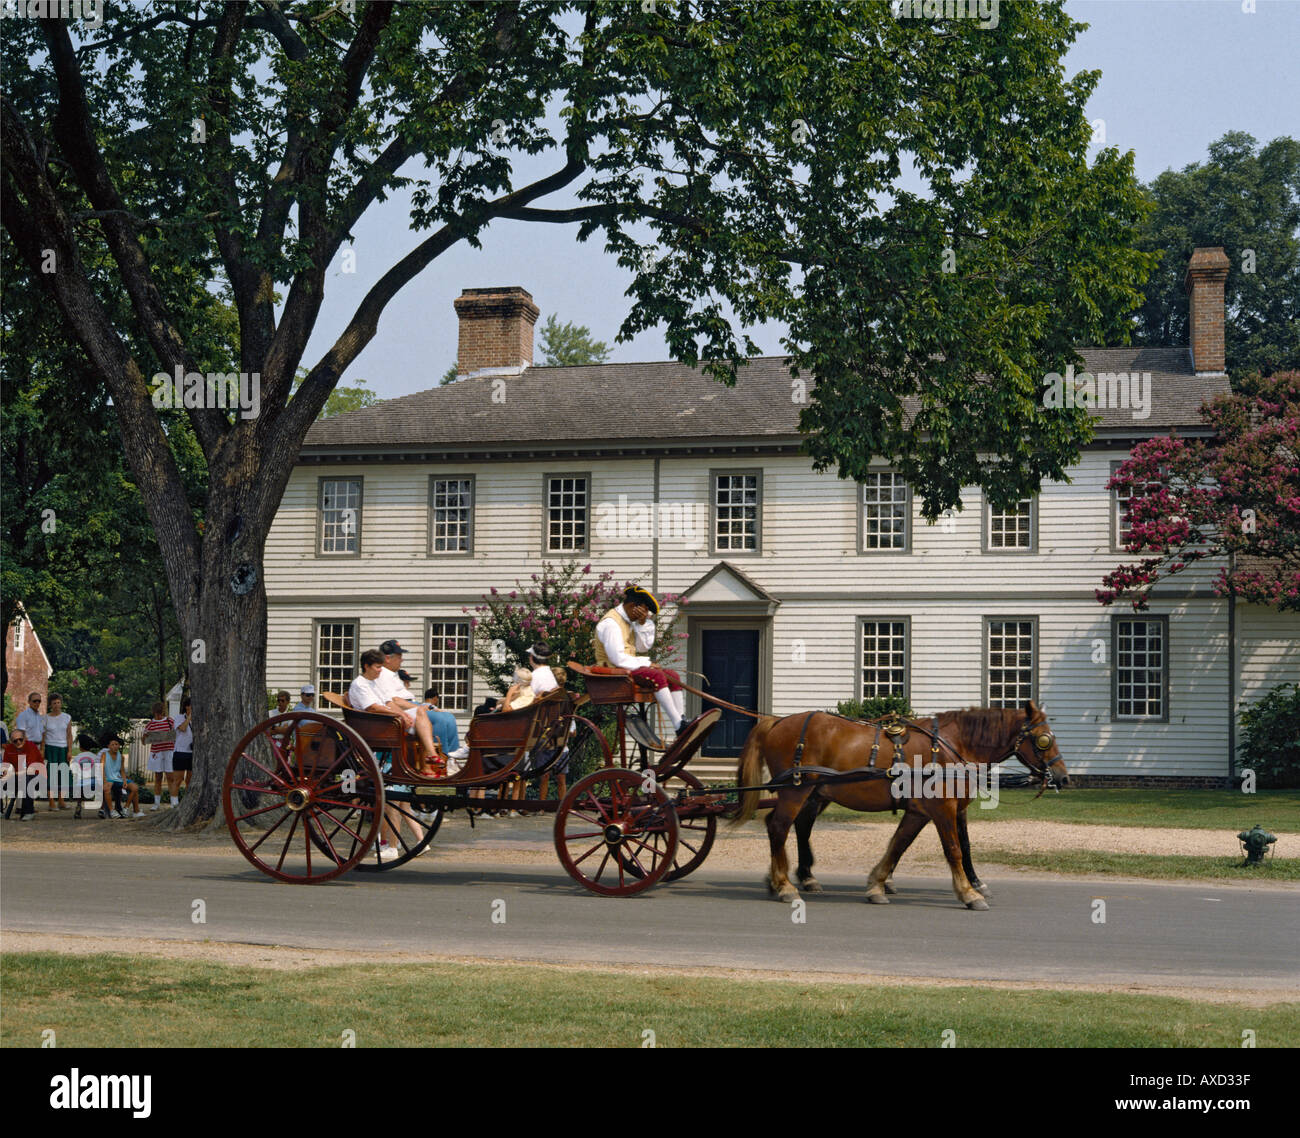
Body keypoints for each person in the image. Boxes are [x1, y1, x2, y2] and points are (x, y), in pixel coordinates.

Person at [593, 585, 686, 737]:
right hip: (615, 672)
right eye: (642, 612)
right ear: (632, 606)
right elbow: (617, 658)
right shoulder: (611, 623)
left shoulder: (628, 621)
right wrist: (647, 663)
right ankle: (678, 725)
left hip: (627, 669)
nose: (644, 616)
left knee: (673, 676)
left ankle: (681, 721)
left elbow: (643, 647)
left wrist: (642, 624)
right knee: (657, 676)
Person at [99, 733, 140, 818]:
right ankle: (112, 810)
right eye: (112, 744)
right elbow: (101, 768)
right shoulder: (104, 755)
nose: (115, 746)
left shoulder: (121, 757)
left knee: (135, 787)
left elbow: (122, 771)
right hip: (108, 778)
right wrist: (104, 781)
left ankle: (126, 808)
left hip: (118, 779)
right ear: (108, 746)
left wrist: (124, 780)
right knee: (107, 788)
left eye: (117, 744)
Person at [42, 692, 72, 811]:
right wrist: (42, 750)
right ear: (50, 704)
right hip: (51, 748)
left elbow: (69, 735)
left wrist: (69, 750)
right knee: (52, 775)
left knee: (63, 774)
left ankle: (61, 801)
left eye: (58, 702)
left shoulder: (67, 717)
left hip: (63, 749)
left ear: (61, 703)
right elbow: (43, 737)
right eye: (54, 703)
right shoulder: (45, 718)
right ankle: (51, 802)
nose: (56, 705)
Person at [2, 727, 41, 820]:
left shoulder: (31, 746)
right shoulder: (9, 749)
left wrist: (12, 774)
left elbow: (30, 769)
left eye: (20, 739)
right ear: (11, 741)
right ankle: (0, 810)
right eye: (15, 741)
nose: (18, 742)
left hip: (37, 778)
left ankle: (29, 812)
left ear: (25, 738)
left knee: (27, 779)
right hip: (17, 777)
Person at [144, 700, 175, 811]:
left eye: (160, 713)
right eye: (157, 713)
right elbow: (144, 741)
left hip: (169, 751)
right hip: (156, 752)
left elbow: (175, 735)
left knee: (170, 777)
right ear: (154, 713)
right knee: (158, 778)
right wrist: (146, 736)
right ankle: (156, 803)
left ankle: (173, 803)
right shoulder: (150, 724)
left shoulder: (169, 721)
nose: (158, 715)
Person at [422, 688, 467, 759]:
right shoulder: (436, 711)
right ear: (435, 698)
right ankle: (451, 755)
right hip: (439, 743)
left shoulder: (420, 708)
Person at [172, 697, 194, 796]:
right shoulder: (179, 718)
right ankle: (174, 803)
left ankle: (186, 800)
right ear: (186, 707)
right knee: (178, 780)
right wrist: (189, 717)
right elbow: (183, 728)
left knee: (190, 781)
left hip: (192, 753)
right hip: (180, 752)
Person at [15, 692, 45, 762]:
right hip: (26, 748)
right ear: (29, 702)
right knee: (23, 771)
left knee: (36, 771)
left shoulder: (40, 717)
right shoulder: (23, 715)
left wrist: (42, 750)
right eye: (34, 701)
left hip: (38, 748)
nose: (37, 703)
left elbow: (43, 734)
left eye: (39, 701)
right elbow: (21, 734)